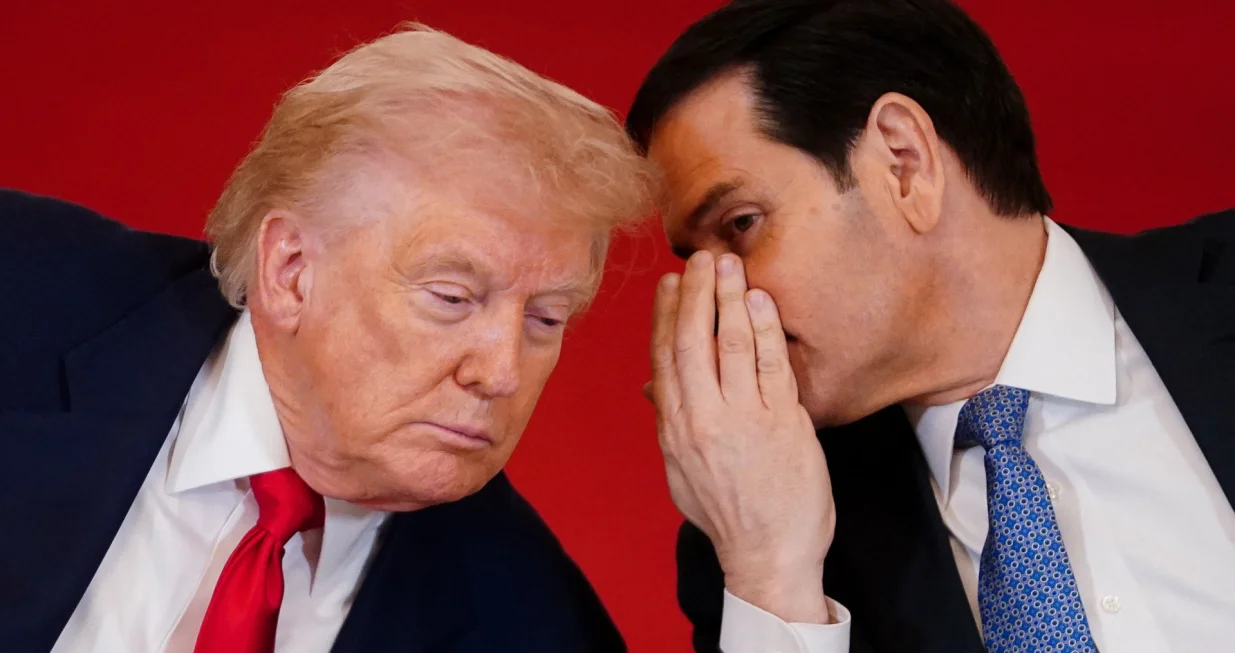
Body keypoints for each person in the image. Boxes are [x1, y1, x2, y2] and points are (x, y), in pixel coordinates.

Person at [0, 24, 655, 653]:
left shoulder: (537, 625)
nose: (502, 372)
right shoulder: (21, 288)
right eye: (452, 298)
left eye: (545, 319)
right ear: (290, 272)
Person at [626, 1, 1235, 652]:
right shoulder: (761, 533)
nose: (714, 306)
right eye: (694, 264)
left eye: (740, 225)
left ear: (902, 162)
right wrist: (772, 576)